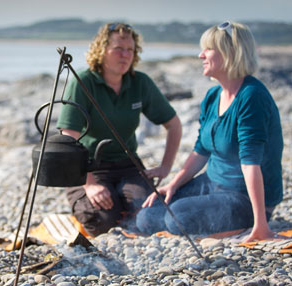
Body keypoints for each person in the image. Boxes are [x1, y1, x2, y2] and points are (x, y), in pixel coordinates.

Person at [136, 21, 284, 243]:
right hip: (212, 183)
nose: (200, 55)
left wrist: (260, 224)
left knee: (177, 218)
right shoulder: (213, 96)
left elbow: (250, 164)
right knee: (147, 216)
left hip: (242, 196)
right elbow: (201, 150)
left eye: (208, 49)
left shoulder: (252, 97)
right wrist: (173, 185)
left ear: (231, 53)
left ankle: (246, 223)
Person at [56, 23, 182, 237]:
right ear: (102, 50)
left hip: (128, 165)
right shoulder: (83, 82)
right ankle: (102, 204)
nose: (125, 55)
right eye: (118, 49)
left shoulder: (139, 82)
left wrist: (165, 166)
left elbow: (174, 125)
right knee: (101, 222)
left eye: (130, 50)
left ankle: (120, 205)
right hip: (89, 167)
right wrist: (89, 184)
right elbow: (69, 138)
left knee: (149, 216)